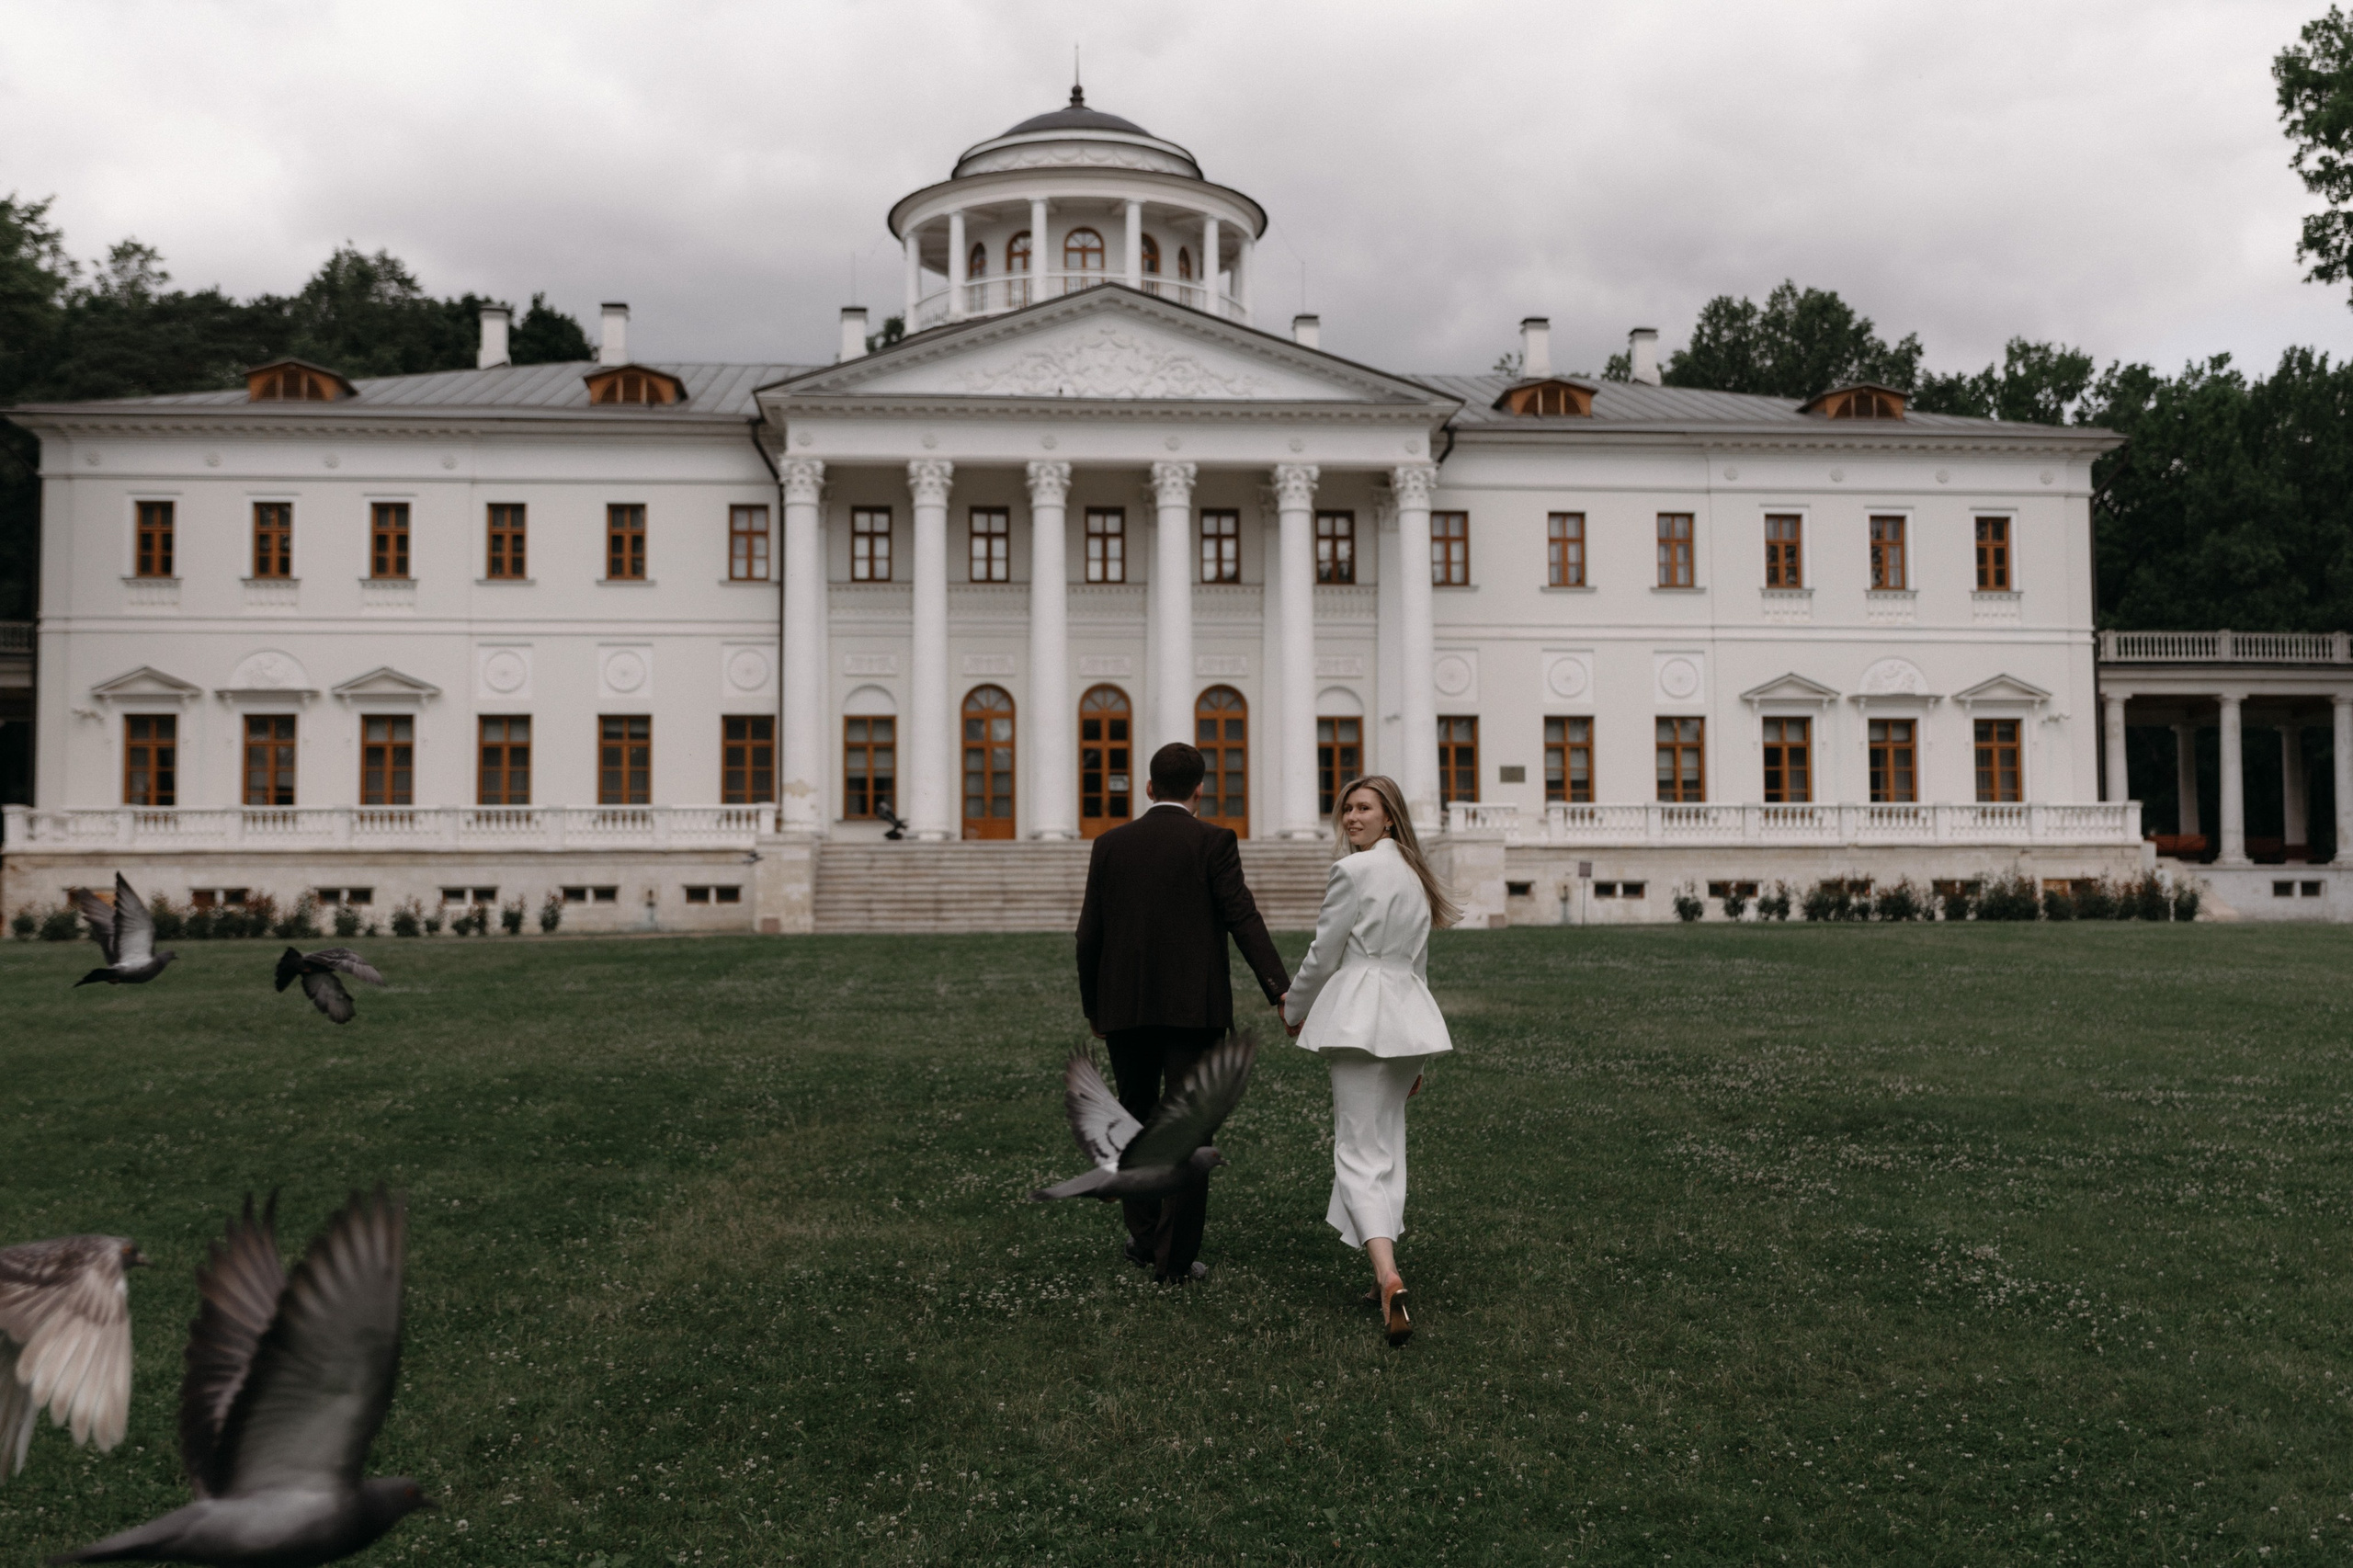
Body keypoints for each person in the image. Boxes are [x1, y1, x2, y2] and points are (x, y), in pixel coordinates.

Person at [1074, 741, 1290, 1283]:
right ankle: (1172, 1262)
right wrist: (1279, 989)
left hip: (1125, 1008)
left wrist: (1095, 1008)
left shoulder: (1109, 844)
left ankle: (1145, 1239)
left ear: (1149, 787)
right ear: (1200, 790)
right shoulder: (1213, 841)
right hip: (1194, 1010)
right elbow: (1242, 917)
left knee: (1134, 1120)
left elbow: (1088, 935)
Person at [1281, 774, 1457, 1346]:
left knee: (1357, 1154)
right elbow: (1419, 965)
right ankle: (1381, 1271)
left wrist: (1293, 1007)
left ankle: (1387, 1276)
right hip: (1406, 1021)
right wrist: (1419, 1059)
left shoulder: (1353, 871)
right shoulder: (1415, 875)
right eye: (1346, 809)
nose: (1352, 818)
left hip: (1360, 1019)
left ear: (1390, 817)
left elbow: (1323, 953)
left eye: (1364, 808)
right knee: (1386, 1151)